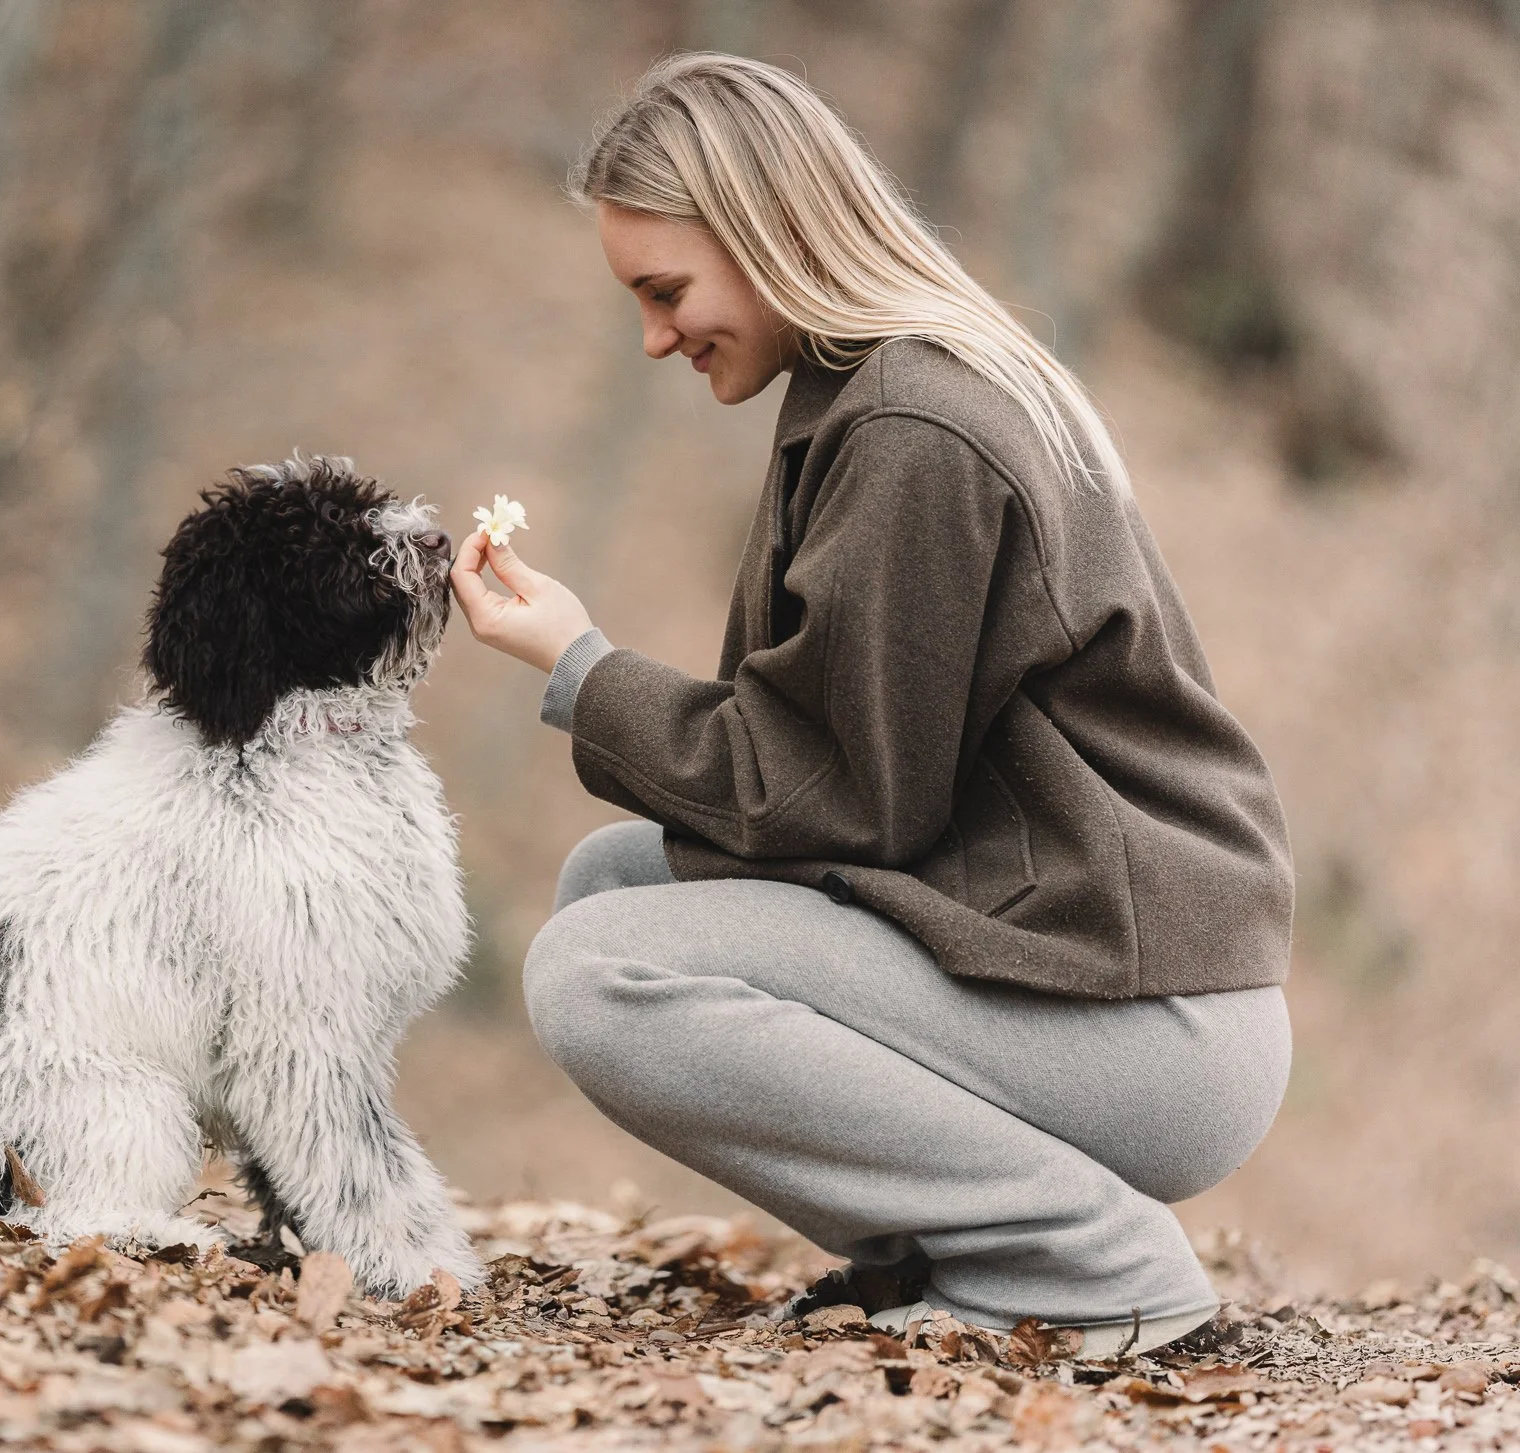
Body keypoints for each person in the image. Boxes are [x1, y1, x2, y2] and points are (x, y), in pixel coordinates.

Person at [447, 53, 1293, 1356]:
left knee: (593, 971)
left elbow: (842, 798)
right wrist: (589, 677)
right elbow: (837, 765)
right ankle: (942, 1257)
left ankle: (1091, 1270)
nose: (656, 337)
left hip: (1151, 1026)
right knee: (616, 885)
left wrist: (581, 669)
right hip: (1087, 966)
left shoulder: (914, 427)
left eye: (666, 292)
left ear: (768, 233)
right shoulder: (872, 394)